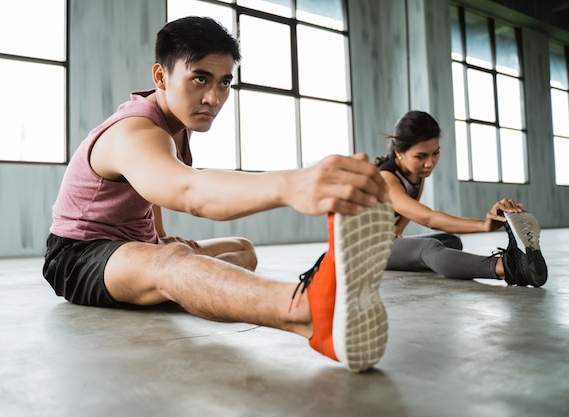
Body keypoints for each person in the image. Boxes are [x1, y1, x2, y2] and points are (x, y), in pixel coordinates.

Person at [43, 16, 395, 372]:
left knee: (242, 250)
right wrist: (291, 184)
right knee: (173, 262)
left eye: (224, 82)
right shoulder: (134, 131)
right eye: (199, 78)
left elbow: (150, 188)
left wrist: (160, 237)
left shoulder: (174, 124)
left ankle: (175, 283)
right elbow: (188, 190)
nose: (213, 98)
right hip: (78, 255)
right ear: (161, 76)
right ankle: (307, 312)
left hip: (133, 248)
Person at [375, 110, 547, 287]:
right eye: (420, 156)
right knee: (427, 248)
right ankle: (508, 267)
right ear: (399, 153)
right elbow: (428, 217)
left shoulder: (418, 173)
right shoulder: (387, 179)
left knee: (451, 241)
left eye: (435, 153)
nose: (430, 163)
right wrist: (483, 225)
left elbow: (406, 214)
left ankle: (427, 260)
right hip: (366, 251)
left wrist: (396, 236)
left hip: (385, 241)